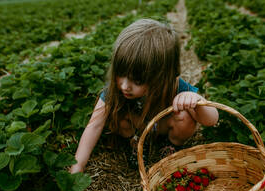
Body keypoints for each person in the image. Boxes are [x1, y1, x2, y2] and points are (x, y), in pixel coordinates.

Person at [69, 18, 218, 174]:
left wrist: (197, 101)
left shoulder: (175, 87)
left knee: (185, 117)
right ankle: (137, 143)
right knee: (114, 114)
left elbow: (211, 120)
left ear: (162, 77)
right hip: (136, 127)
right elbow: (94, 125)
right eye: (120, 74)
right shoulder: (116, 91)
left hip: (162, 127)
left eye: (137, 81)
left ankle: (172, 144)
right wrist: (78, 166)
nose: (125, 86)